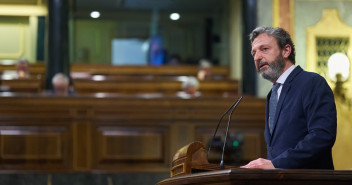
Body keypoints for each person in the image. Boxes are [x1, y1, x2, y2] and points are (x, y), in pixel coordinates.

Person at [241, 27, 337, 169]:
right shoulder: (272, 94)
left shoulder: (311, 82)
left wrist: (276, 164)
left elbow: (321, 136)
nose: (257, 57)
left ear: (286, 51)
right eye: (254, 52)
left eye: (264, 49)